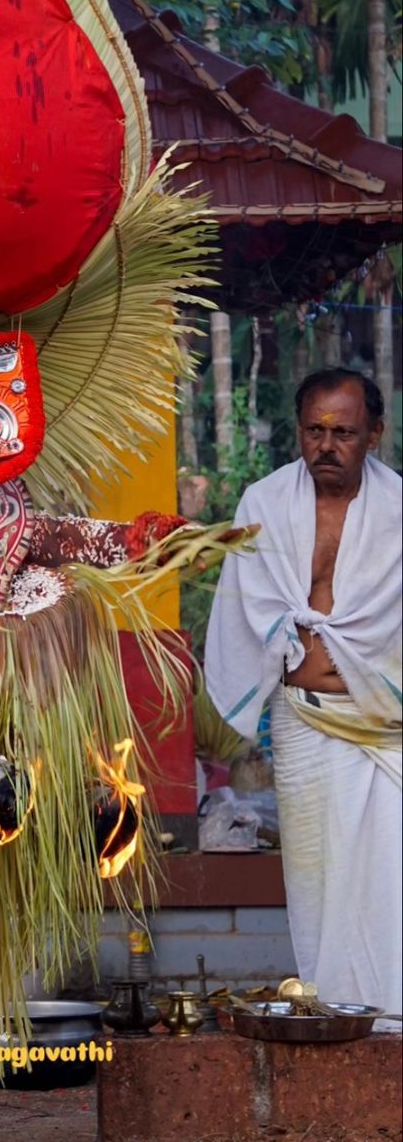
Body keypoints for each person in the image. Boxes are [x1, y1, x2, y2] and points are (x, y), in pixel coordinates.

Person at [205, 369, 402, 1016]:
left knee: (386, 874)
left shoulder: (399, 511)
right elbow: (246, 604)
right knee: (316, 877)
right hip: (305, 723)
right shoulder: (264, 503)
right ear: (298, 431)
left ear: (374, 433)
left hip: (386, 728)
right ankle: (336, 1009)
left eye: (343, 432)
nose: (327, 445)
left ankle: (391, 1015)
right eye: (315, 431)